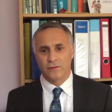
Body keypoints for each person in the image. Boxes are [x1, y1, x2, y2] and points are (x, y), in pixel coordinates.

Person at [6, 22, 112, 112]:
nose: (52, 58)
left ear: (72, 51)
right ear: (35, 56)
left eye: (59, 48)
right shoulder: (16, 99)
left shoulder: (103, 95)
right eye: (44, 50)